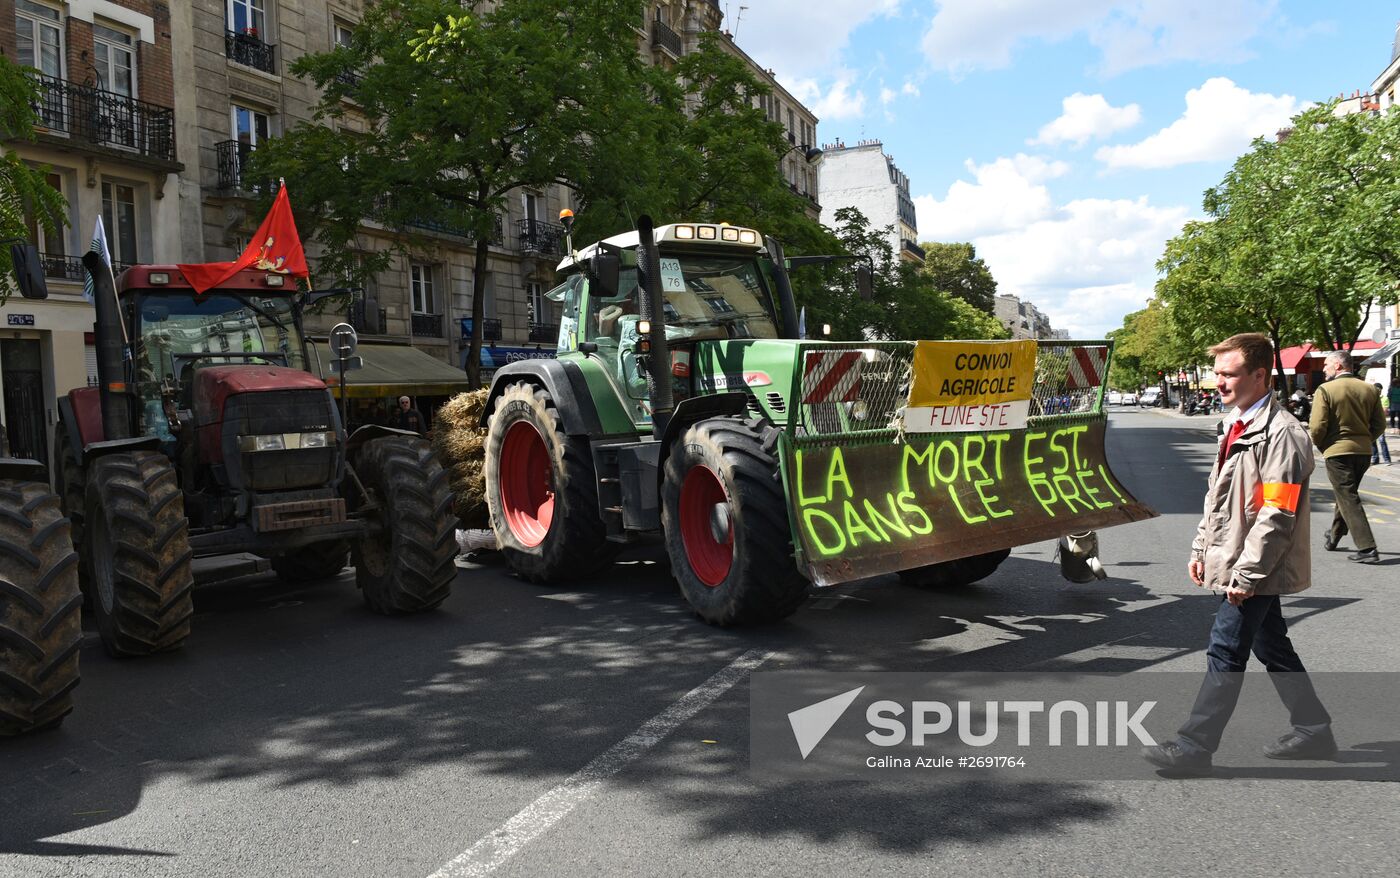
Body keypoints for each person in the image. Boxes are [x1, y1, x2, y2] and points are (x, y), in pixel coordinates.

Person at [1142, 333, 1333, 776]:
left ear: (1260, 375)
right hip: (1236, 556)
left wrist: (1246, 574)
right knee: (1274, 647)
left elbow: (1277, 515)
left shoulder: (1282, 434)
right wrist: (1201, 547)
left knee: (1225, 650)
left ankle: (1194, 747)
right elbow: (1221, 498)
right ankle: (1313, 727)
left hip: (1258, 564)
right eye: (1217, 373)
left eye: (1228, 374)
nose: (1218, 382)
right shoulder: (1237, 422)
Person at [1309, 352, 1385, 563]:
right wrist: (1364, 439)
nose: (1323, 369)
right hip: (1363, 451)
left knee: (1348, 496)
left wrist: (1323, 445)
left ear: (1338, 365)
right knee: (1346, 495)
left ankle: (1367, 548)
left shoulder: (1325, 389)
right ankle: (1334, 536)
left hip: (1338, 451)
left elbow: (1317, 426)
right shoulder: (1369, 389)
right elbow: (1380, 424)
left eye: (1326, 364)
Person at [1373, 384, 1392, 465]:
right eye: (1376, 389)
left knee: (1382, 441)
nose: (1377, 391)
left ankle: (1387, 459)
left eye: (1379, 389)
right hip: (1371, 422)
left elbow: (1384, 412)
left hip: (1380, 422)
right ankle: (1375, 459)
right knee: (1372, 441)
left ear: (1381, 390)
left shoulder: (1384, 398)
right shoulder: (1370, 398)